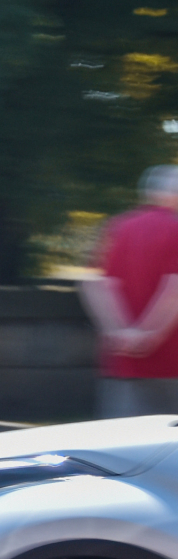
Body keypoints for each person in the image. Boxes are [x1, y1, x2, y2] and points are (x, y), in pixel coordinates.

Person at [81, 164, 178, 417]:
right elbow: (174, 288)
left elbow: (96, 284)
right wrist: (149, 334)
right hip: (172, 361)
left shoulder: (118, 227)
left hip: (123, 363)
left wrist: (119, 333)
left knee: (120, 445)